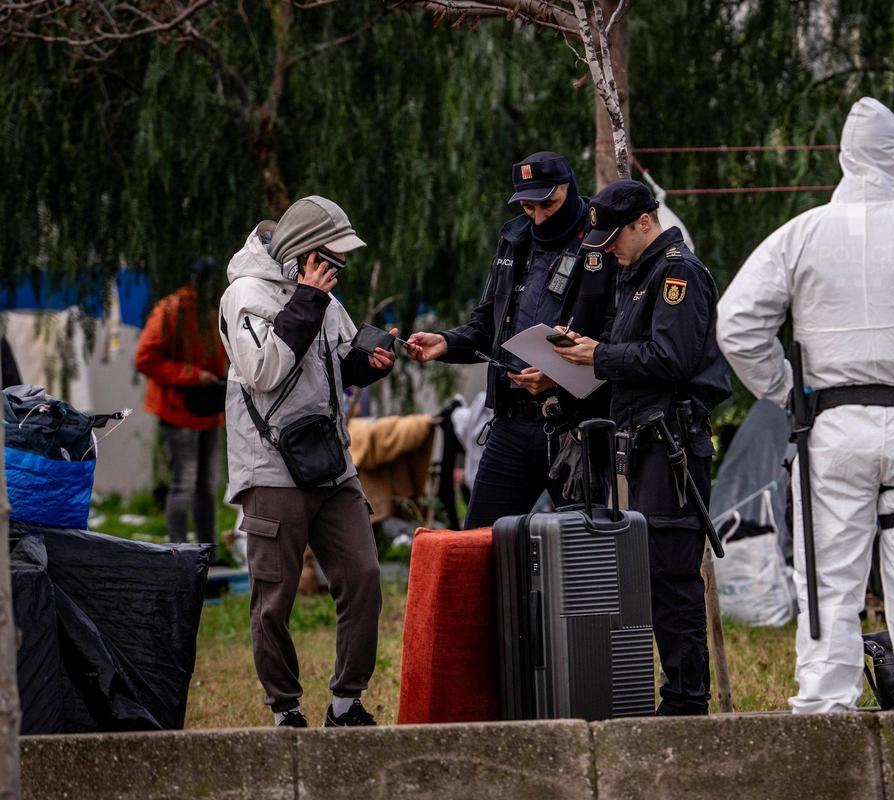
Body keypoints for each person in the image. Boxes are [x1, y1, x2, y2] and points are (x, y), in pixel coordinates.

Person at [715, 97, 894, 713]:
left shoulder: (800, 235)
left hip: (831, 436)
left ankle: (826, 716)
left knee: (827, 585)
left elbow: (737, 323)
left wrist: (785, 392)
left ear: (844, 160)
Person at [219, 195, 398, 728]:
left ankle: (347, 702)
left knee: (363, 576)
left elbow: (340, 358)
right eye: (330, 255)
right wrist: (306, 300)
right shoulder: (244, 295)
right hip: (271, 468)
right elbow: (266, 370)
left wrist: (371, 361)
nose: (338, 266)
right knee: (274, 598)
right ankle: (286, 710)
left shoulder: (319, 292)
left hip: (332, 463)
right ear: (302, 251)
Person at [554, 179, 730, 715]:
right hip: (641, 441)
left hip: (671, 444)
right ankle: (673, 692)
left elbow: (670, 358)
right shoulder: (636, 276)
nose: (610, 251)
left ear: (644, 222)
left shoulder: (675, 273)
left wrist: (599, 356)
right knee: (648, 572)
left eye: (616, 239)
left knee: (671, 575)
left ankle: (685, 700)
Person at [405, 152, 616, 528]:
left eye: (547, 204)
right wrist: (445, 343)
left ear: (570, 187)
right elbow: (487, 328)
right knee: (479, 543)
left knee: (585, 550)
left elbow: (617, 341)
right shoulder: (513, 239)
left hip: (575, 426)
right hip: (511, 424)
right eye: (527, 206)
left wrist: (558, 375)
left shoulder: (602, 243)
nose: (538, 216)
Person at [134, 256, 228, 546]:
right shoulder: (172, 310)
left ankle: (207, 551)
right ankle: (178, 551)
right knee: (184, 483)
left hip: (208, 409)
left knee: (207, 484)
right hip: (178, 408)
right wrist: (192, 375)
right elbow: (145, 359)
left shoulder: (216, 310)